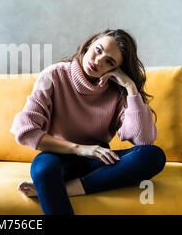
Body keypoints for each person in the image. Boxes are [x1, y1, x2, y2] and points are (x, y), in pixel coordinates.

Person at [10, 29, 166, 215]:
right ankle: (50, 185)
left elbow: (144, 140)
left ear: (115, 69)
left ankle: (57, 189)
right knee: (44, 170)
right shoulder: (53, 76)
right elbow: (25, 131)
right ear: (90, 44)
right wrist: (80, 149)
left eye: (109, 61)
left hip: (97, 159)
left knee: (153, 156)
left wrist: (131, 88)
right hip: (57, 156)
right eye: (98, 50)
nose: (98, 61)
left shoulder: (116, 90)